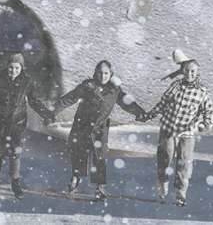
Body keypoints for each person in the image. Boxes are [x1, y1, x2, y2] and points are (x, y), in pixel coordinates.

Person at [51, 60, 146, 202]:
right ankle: (75, 180)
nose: (103, 76)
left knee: (100, 157)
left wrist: (139, 112)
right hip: (82, 126)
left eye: (106, 73)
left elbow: (127, 103)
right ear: (95, 73)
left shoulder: (114, 90)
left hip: (100, 129)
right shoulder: (87, 86)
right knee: (78, 153)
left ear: (111, 74)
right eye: (100, 73)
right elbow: (70, 98)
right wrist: (53, 111)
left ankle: (99, 188)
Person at [139, 51, 213, 207]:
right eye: (186, 70)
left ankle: (181, 192)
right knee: (165, 157)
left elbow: (209, 110)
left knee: (184, 162)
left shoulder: (201, 91)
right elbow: (163, 103)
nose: (189, 74)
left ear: (197, 71)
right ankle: (162, 181)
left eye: (193, 71)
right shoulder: (175, 86)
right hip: (168, 128)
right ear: (182, 71)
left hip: (187, 132)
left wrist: (204, 124)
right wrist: (150, 114)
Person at [0, 53, 50, 200]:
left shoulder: (27, 81)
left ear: (21, 68)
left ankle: (15, 184)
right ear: (7, 67)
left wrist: (46, 114)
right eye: (11, 67)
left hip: (17, 125)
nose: (13, 71)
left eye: (16, 68)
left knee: (15, 155)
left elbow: (34, 101)